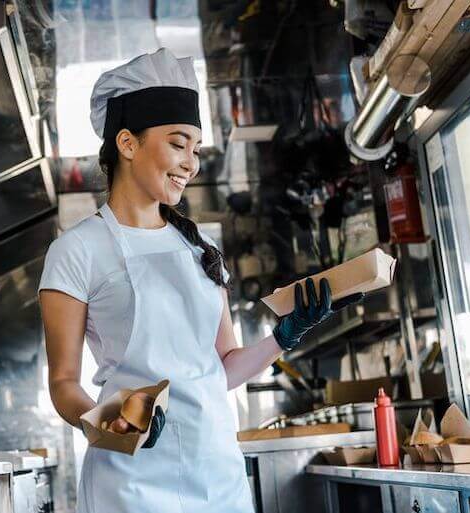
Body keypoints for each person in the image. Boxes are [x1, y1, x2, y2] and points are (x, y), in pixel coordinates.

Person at [38, 48, 362, 513]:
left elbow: (220, 370)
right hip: (129, 482)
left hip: (216, 476)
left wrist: (283, 338)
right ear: (127, 144)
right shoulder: (76, 251)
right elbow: (63, 382)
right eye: (177, 142)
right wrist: (107, 423)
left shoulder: (200, 250)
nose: (191, 163)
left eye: (195, 147)